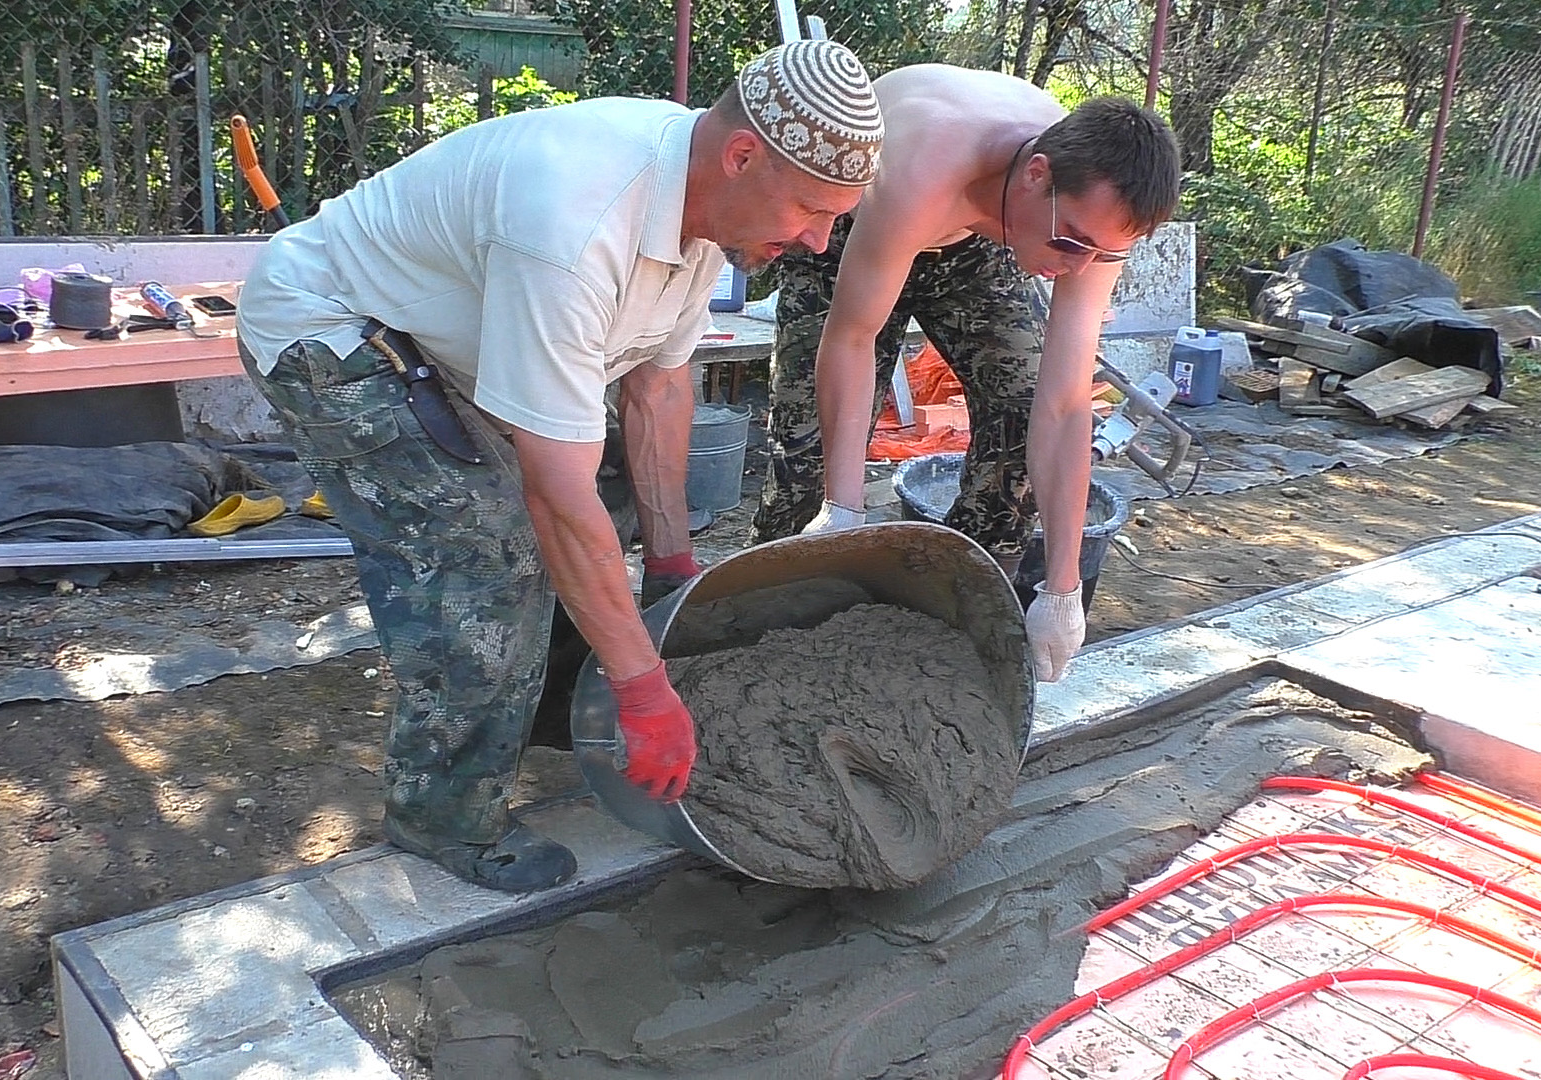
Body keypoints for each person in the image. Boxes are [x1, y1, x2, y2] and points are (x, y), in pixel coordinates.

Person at [234, 41, 883, 893]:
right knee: (487, 553)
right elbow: (554, 491)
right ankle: (442, 817)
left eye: (836, 219)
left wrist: (673, 569)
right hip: (326, 328)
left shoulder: (705, 213)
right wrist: (648, 691)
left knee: (587, 532)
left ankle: (548, 710)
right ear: (741, 154)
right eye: (809, 209)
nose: (816, 238)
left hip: (437, 338)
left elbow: (657, 391)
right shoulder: (577, 222)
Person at [748, 66, 1181, 683]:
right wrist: (843, 508)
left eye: (1102, 254)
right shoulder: (928, 159)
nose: (1081, 265)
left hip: (983, 237)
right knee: (808, 454)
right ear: (1037, 175)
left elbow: (1062, 406)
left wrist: (1062, 589)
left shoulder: (1085, 220)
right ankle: (763, 630)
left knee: (1020, 405)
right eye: (1072, 245)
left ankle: (949, 624)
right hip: (863, 223)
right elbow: (851, 337)